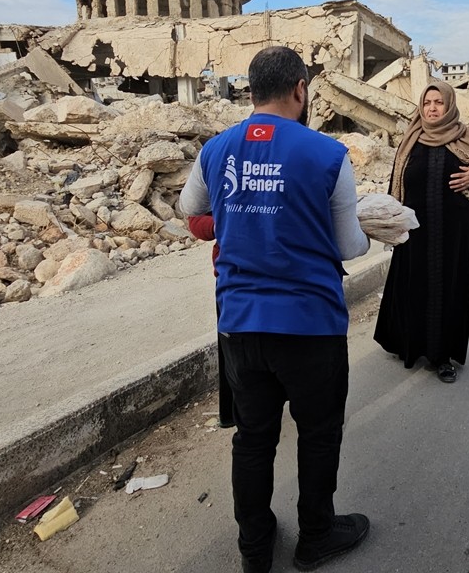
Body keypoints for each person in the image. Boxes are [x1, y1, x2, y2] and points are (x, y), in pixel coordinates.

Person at [180, 46, 372, 573]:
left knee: (254, 438)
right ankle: (315, 536)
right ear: (300, 90)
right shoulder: (327, 154)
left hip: (240, 324)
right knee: (317, 432)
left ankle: (255, 549)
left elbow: (189, 210)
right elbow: (349, 246)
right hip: (310, 325)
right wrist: (374, 233)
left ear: (252, 91)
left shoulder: (216, 150)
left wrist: (242, 218)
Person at [372, 81, 469, 383]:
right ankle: (410, 346)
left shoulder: (466, 137)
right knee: (413, 287)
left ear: (449, 105)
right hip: (415, 232)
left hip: (454, 233)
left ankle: (442, 357)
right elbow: (396, 183)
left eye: (438, 102)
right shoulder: (411, 140)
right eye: (427, 103)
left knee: (447, 289)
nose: (433, 108)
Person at [186, 212, 235, 429]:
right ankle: (235, 412)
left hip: (287, 274)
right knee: (233, 357)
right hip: (233, 281)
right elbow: (194, 218)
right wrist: (225, 224)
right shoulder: (215, 176)